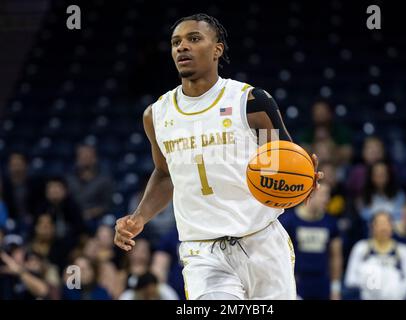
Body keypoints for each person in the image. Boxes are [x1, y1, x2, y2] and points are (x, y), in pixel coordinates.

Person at [113, 13, 322, 300]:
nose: (182, 47)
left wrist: (303, 181)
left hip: (262, 240)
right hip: (203, 251)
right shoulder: (157, 115)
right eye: (176, 42)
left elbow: (280, 161)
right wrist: (139, 217)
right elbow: (165, 173)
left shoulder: (250, 104)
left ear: (217, 49)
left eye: (194, 39)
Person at [280, 183, 343, 300]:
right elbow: (281, 256)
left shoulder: (331, 222)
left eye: (328, 195)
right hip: (297, 282)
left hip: (322, 282)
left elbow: (336, 256)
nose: (327, 199)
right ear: (310, 194)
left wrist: (335, 287)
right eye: (323, 195)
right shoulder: (288, 220)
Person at [344, 211, 406, 300]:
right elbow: (350, 279)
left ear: (392, 226)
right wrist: (370, 283)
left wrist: (392, 288)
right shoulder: (361, 248)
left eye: (387, 223)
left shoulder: (402, 251)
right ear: (372, 227)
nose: (383, 228)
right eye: (380, 224)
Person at [66, 144, 114, 232]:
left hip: (97, 219)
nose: (84, 159)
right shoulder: (69, 180)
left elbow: (107, 205)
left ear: (95, 158)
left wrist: (90, 213)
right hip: (72, 218)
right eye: (82, 156)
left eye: (87, 156)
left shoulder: (104, 180)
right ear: (77, 159)